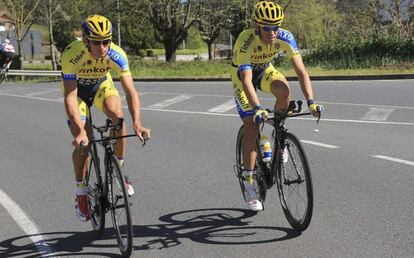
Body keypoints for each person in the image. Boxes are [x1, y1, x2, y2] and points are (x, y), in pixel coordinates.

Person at [231, 1, 324, 211]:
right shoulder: (245, 40)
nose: (272, 33)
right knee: (252, 127)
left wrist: (311, 102)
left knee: (284, 91)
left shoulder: (286, 37)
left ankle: (278, 137)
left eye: (276, 27)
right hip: (242, 77)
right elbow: (246, 81)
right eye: (267, 28)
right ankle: (248, 182)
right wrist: (257, 108)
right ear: (257, 25)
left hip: (264, 70)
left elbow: (301, 72)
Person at [61, 15, 151, 221]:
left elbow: (130, 91)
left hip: (100, 85)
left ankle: (118, 172)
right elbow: (70, 96)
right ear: (85, 40)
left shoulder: (116, 54)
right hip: (78, 91)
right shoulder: (71, 55)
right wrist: (81, 130)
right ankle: (81, 194)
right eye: (96, 42)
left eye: (106, 42)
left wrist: (137, 122)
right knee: (84, 144)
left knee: (119, 118)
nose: (102, 47)